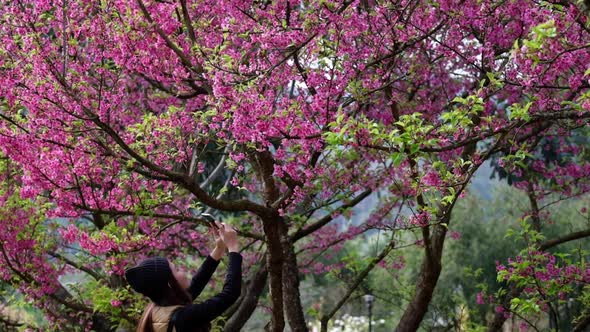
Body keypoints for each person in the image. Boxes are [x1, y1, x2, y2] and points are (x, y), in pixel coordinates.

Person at [125, 222, 242, 332]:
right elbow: (230, 294)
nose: (182, 271)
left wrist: (219, 248)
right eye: (176, 269)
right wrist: (233, 247)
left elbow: (196, 284)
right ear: (169, 283)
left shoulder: (156, 310)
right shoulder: (184, 317)